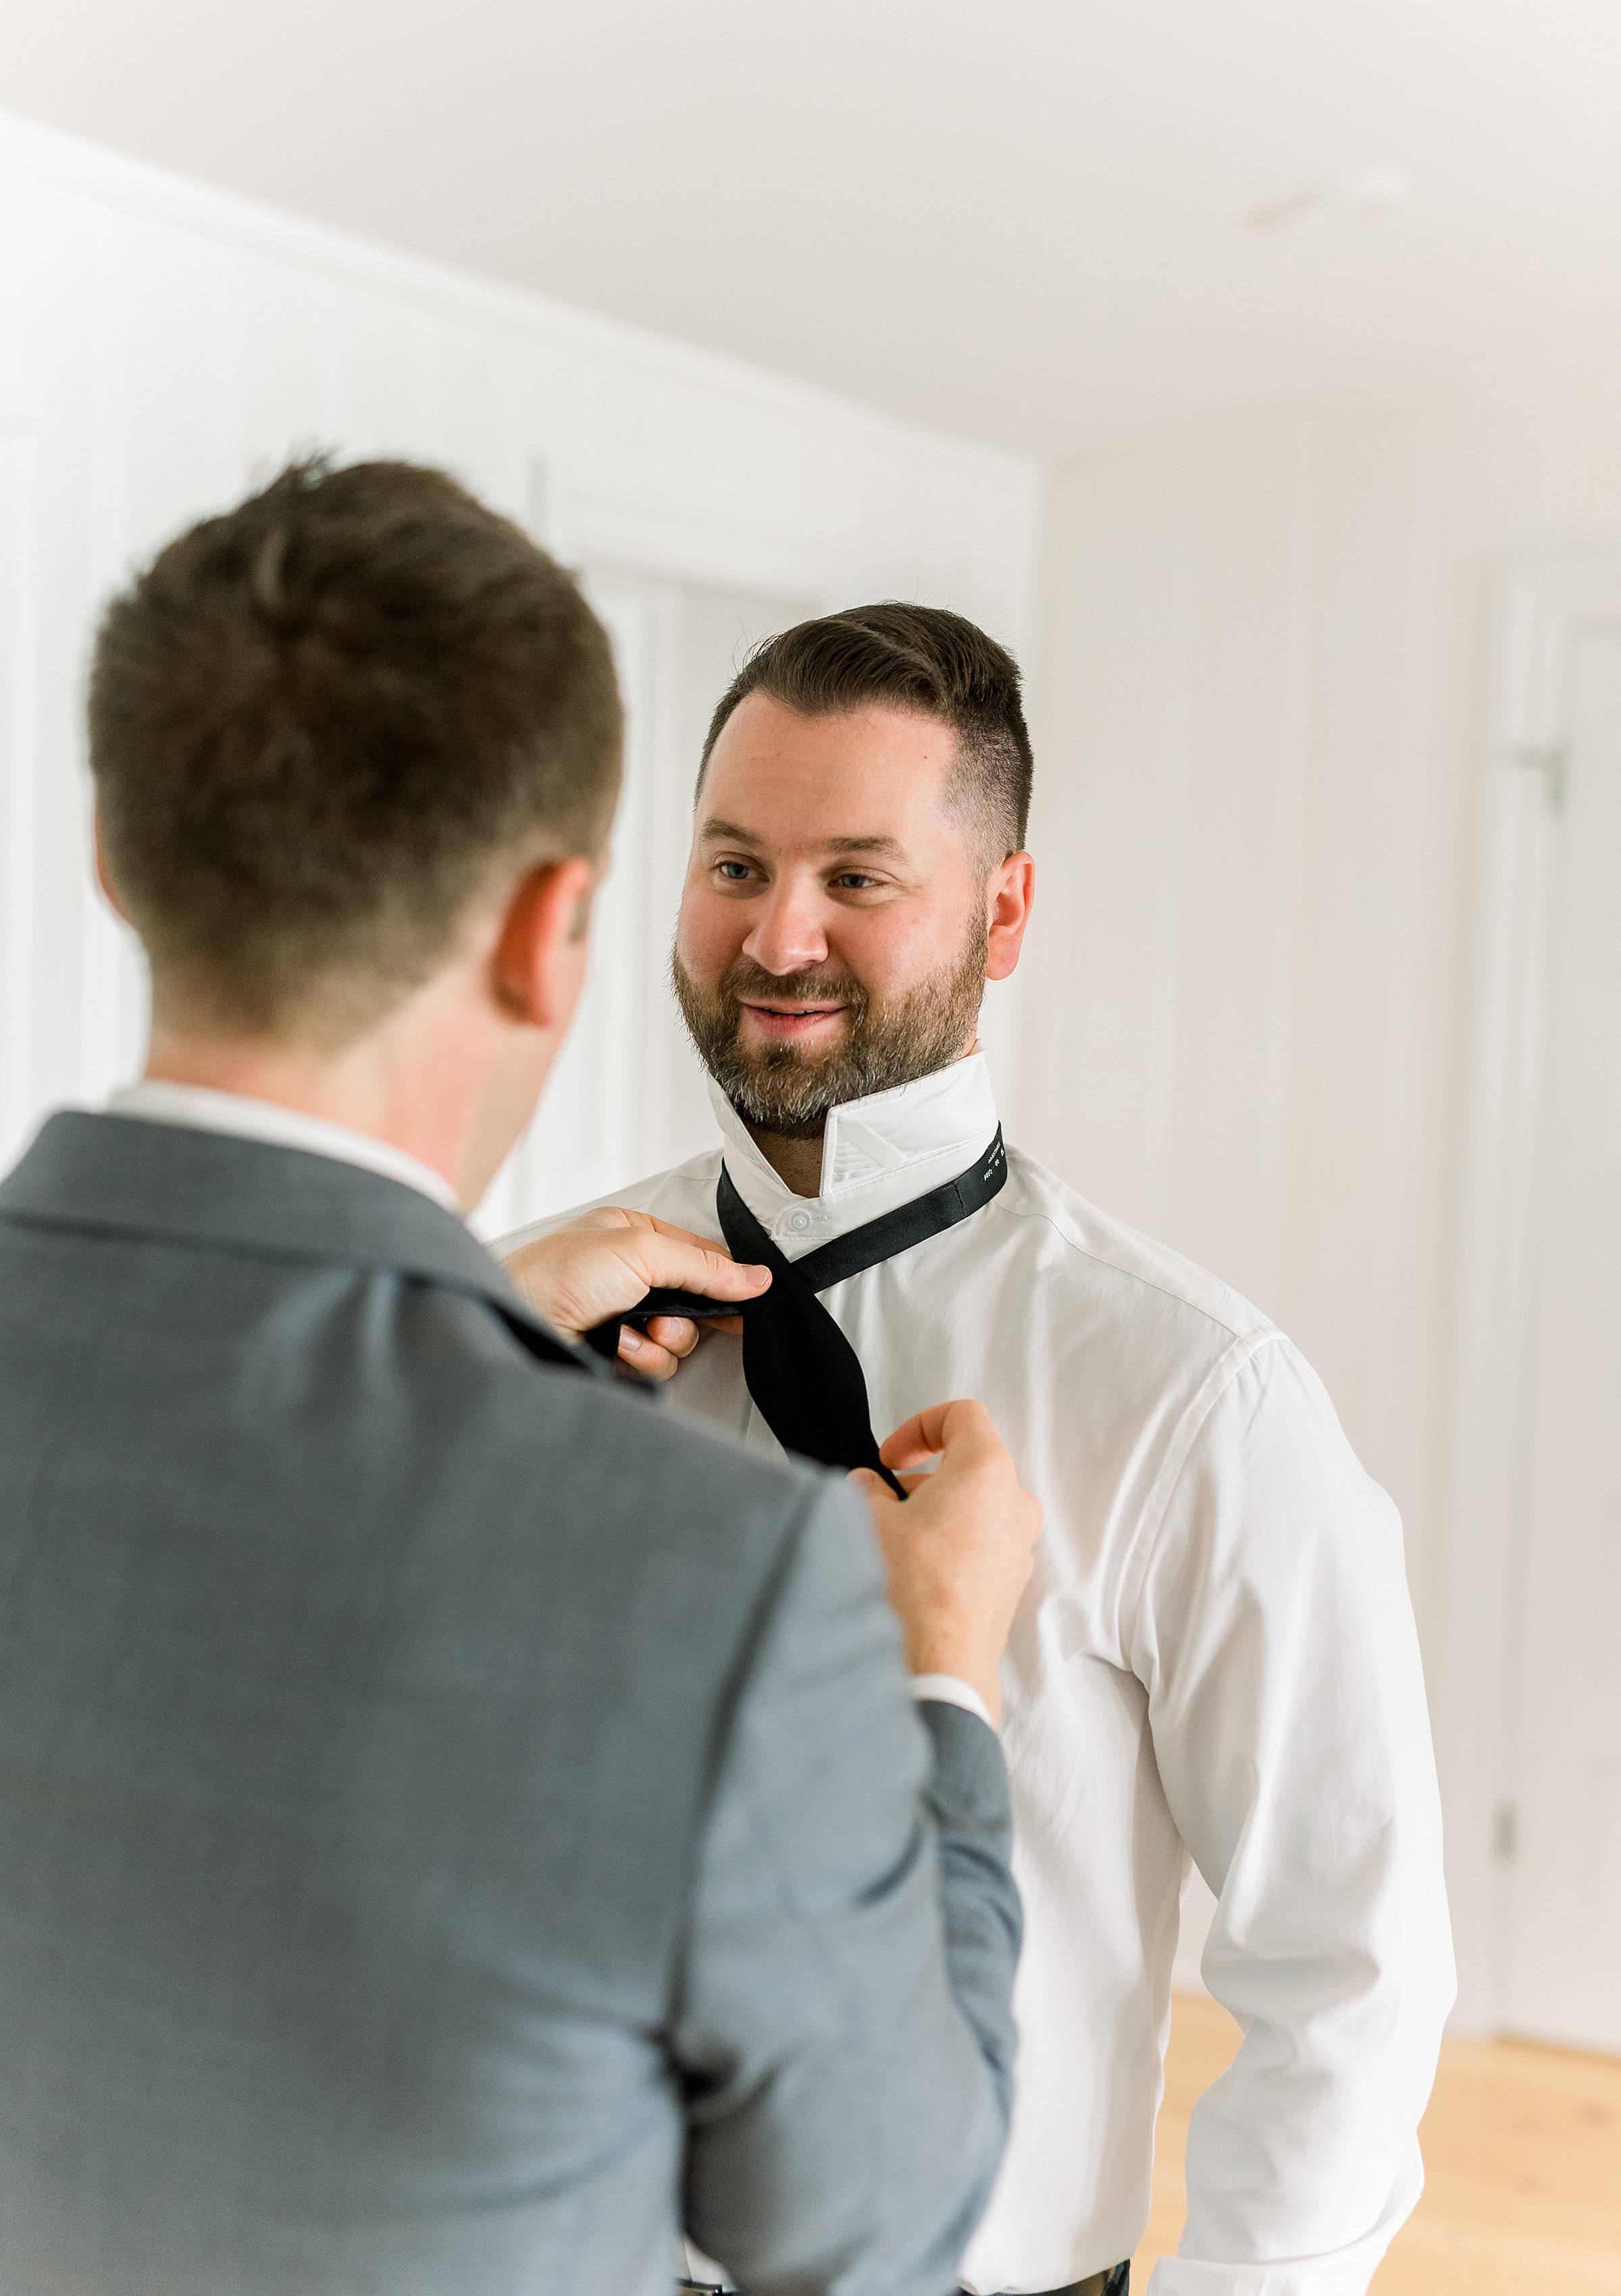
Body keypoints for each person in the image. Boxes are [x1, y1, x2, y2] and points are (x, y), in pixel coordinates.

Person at [0, 464, 1044, 2296]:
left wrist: (452, 1311)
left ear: (112, 853)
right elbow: (879, 2218)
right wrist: (947, 1683)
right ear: (552, 925)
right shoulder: (711, 1582)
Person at [500, 605, 1458, 2296]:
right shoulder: (537, 1316)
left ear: (1002, 912)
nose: (776, 935)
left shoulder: (1196, 1395)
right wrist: (465, 1367)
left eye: (858, 877)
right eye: (734, 863)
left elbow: (1351, 1965)